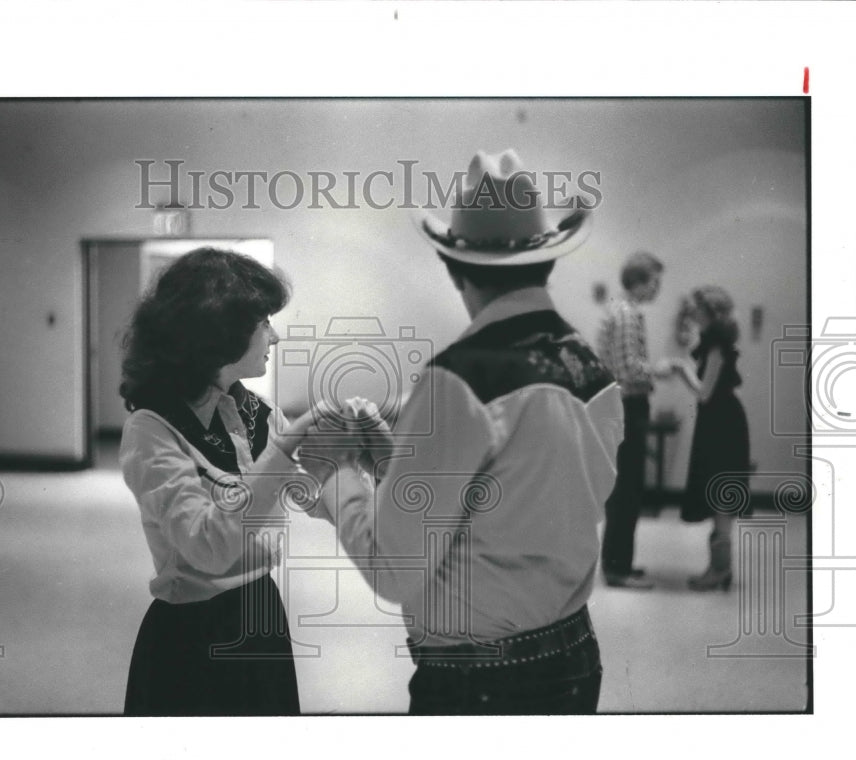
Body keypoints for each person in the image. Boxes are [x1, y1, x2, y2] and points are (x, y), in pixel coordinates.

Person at [299, 149, 624, 715]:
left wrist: (338, 471)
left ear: (454, 268)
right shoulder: (591, 368)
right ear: (546, 260)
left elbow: (393, 568)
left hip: (483, 680)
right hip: (573, 653)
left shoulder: (458, 379)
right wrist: (389, 458)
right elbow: (509, 498)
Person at [117, 247, 324, 716]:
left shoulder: (247, 408)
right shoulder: (152, 429)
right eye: (264, 321)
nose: (275, 335)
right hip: (193, 637)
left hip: (260, 612)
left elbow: (309, 493)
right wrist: (286, 450)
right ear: (220, 333)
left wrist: (357, 456)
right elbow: (209, 546)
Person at [596, 251, 672, 590]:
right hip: (628, 405)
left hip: (620, 406)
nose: (657, 288)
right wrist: (662, 370)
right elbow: (628, 367)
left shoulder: (621, 311)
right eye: (655, 281)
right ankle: (617, 569)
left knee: (624, 489)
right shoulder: (627, 315)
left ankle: (619, 563)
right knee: (627, 490)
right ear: (639, 281)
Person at [672, 286, 750, 591]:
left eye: (697, 310)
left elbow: (704, 392)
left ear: (710, 314)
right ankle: (720, 568)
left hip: (721, 422)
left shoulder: (716, 345)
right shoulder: (713, 343)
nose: (693, 314)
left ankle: (719, 570)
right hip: (722, 420)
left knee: (720, 495)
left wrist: (681, 369)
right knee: (721, 494)